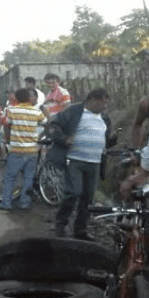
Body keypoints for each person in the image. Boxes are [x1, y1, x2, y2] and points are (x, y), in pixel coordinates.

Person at [47, 88, 115, 240]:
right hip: (75, 160)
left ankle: (80, 230)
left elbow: (107, 138)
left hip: (95, 162)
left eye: (106, 103)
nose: (104, 106)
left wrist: (111, 138)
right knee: (73, 193)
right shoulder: (74, 111)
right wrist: (64, 139)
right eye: (102, 103)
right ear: (91, 100)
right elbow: (54, 126)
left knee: (87, 198)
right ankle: (60, 224)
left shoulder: (104, 117)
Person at [0, 88, 47, 211]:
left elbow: (6, 123)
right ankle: (25, 203)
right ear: (29, 98)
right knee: (28, 178)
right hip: (32, 150)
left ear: (17, 99)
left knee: (10, 177)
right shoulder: (36, 111)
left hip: (16, 150)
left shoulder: (12, 110)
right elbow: (45, 122)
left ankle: (6, 203)